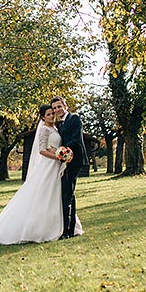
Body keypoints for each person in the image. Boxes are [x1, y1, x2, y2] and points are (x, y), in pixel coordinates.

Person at [0, 104, 82, 244]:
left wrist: (59, 153)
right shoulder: (44, 129)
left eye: (53, 113)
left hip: (58, 166)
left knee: (59, 196)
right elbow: (42, 150)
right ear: (43, 117)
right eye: (49, 114)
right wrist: (57, 156)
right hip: (49, 166)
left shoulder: (56, 127)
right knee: (44, 196)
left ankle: (63, 226)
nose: (52, 116)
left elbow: (54, 146)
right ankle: (37, 229)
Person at [51, 96, 88, 239]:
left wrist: (63, 151)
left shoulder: (74, 118)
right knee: (68, 194)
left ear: (65, 106)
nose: (57, 110)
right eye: (54, 108)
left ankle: (67, 231)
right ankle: (69, 228)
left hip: (74, 161)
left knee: (67, 193)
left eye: (59, 106)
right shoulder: (58, 124)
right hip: (63, 161)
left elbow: (76, 139)